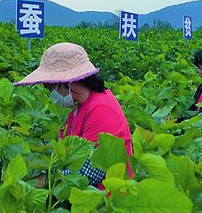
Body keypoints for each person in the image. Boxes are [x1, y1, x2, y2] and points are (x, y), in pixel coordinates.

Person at [15, 42, 133, 189]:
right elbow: (64, 147)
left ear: (65, 83)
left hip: (107, 201)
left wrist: (41, 182)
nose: (50, 93)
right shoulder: (80, 107)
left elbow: (90, 172)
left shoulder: (101, 108)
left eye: (49, 87)